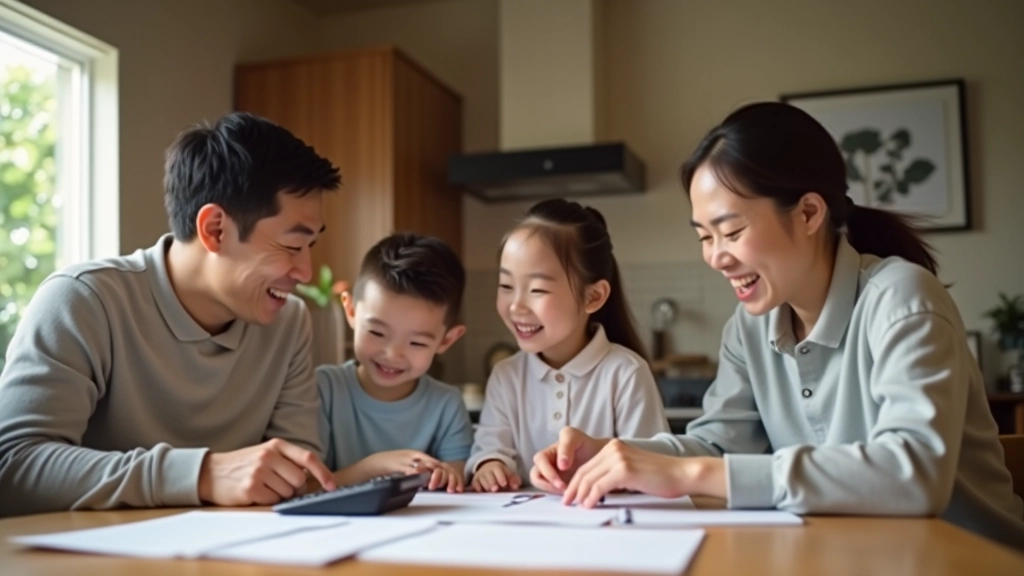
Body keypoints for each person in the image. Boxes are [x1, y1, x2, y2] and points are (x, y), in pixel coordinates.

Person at [530, 102, 1024, 551]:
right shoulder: (748, 328)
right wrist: (614, 456)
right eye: (704, 236)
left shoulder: (902, 298)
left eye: (731, 231)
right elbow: (721, 445)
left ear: (808, 212)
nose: (715, 257)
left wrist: (693, 473)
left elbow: (913, 475)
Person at [0, 112, 341, 516]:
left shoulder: (289, 322)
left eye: (310, 247)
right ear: (214, 229)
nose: (305, 272)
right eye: (292, 246)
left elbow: (299, 472)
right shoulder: (83, 301)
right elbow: (14, 468)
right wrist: (201, 475)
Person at [467, 198, 669, 492]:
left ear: (593, 297)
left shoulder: (626, 372)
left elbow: (652, 464)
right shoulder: (505, 376)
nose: (516, 306)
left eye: (537, 289)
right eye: (506, 286)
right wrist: (490, 466)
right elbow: (489, 448)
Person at [316, 233, 473, 493]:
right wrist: (375, 467)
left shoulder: (446, 404)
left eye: (416, 343)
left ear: (447, 340)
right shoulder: (323, 390)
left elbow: (457, 477)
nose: (392, 354)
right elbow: (306, 485)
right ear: (351, 310)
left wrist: (446, 476)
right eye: (377, 333)